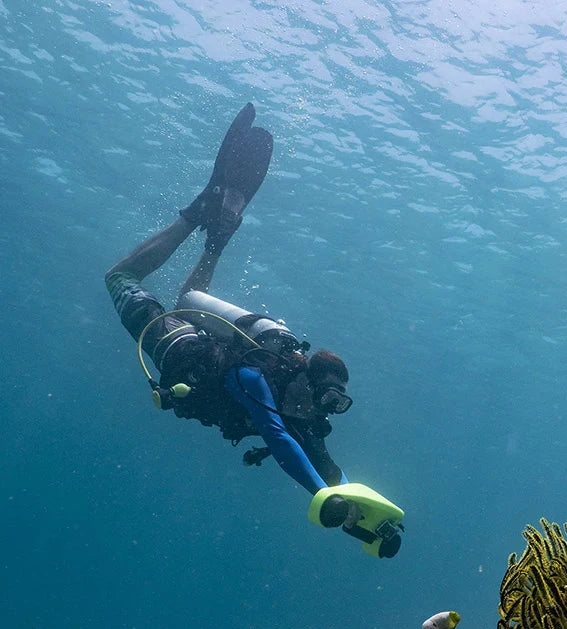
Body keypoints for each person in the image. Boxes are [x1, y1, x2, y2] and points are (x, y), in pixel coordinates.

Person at [105, 103, 401, 557]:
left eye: (333, 405)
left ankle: (216, 237)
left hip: (198, 343)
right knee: (120, 279)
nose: (321, 408)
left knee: (188, 299)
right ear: (303, 376)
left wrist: (363, 522)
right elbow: (279, 440)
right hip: (181, 349)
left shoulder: (303, 411)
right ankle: (194, 215)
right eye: (323, 396)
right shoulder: (258, 377)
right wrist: (318, 496)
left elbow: (324, 464)